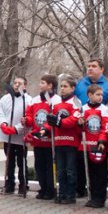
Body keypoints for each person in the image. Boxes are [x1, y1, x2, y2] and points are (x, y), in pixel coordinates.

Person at [43, 75, 82, 204]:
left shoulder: (76, 102)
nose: (62, 89)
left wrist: (59, 122)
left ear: (73, 88)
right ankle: (61, 193)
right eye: (61, 86)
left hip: (71, 141)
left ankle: (70, 195)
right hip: (58, 140)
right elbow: (51, 120)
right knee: (60, 170)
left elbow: (73, 120)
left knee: (70, 170)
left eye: (65, 86)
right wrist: (46, 129)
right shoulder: (57, 103)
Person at [23, 74, 58, 200]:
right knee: (39, 165)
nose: (40, 85)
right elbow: (30, 115)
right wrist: (26, 119)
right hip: (38, 140)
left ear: (50, 85)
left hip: (50, 141)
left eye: (42, 83)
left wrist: (46, 129)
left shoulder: (57, 100)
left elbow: (55, 118)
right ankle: (42, 188)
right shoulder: (35, 99)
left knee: (50, 166)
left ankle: (50, 189)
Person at [0, 76, 32, 195]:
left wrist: (16, 129)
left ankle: (23, 184)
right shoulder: (6, 98)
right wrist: (3, 124)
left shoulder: (28, 100)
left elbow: (28, 118)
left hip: (20, 137)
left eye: (19, 83)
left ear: (24, 86)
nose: (16, 85)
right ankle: (9, 184)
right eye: (15, 83)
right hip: (7, 136)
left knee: (22, 162)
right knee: (9, 161)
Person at [79, 84, 108, 208]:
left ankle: (100, 198)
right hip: (86, 145)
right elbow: (79, 126)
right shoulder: (83, 108)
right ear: (90, 95)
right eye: (98, 94)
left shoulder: (104, 109)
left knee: (100, 173)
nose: (100, 97)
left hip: (98, 146)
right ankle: (92, 196)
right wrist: (79, 122)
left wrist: (102, 141)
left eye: (101, 95)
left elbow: (106, 127)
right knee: (90, 172)